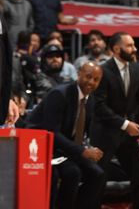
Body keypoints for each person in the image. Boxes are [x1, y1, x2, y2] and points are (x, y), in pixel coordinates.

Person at [26, 62, 105, 209]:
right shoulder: (60, 94)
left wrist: (88, 147)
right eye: (88, 76)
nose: (91, 82)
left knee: (98, 174)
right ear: (79, 74)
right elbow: (52, 132)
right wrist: (82, 151)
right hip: (43, 146)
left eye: (96, 79)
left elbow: (81, 132)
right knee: (72, 173)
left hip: (66, 148)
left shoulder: (90, 100)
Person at [91, 32, 139, 209]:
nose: (135, 49)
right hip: (105, 132)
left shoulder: (136, 69)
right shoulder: (102, 70)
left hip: (128, 134)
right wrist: (125, 124)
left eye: (134, 45)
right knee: (99, 176)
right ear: (117, 49)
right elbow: (99, 106)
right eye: (130, 45)